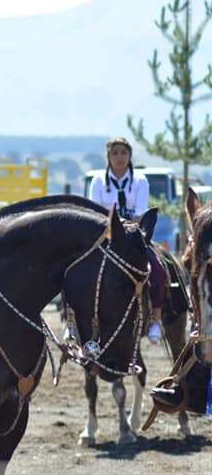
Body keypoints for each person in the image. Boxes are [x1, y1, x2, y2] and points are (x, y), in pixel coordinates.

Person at [88, 137, 166, 343]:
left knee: (157, 269)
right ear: (108, 157)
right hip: (106, 240)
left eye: (123, 153)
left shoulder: (140, 181)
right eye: (115, 153)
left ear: (130, 156)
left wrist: (124, 229)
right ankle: (72, 322)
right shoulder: (98, 182)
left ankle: (156, 319)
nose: (119, 157)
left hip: (133, 238)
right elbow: (96, 214)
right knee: (78, 271)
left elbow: (139, 215)